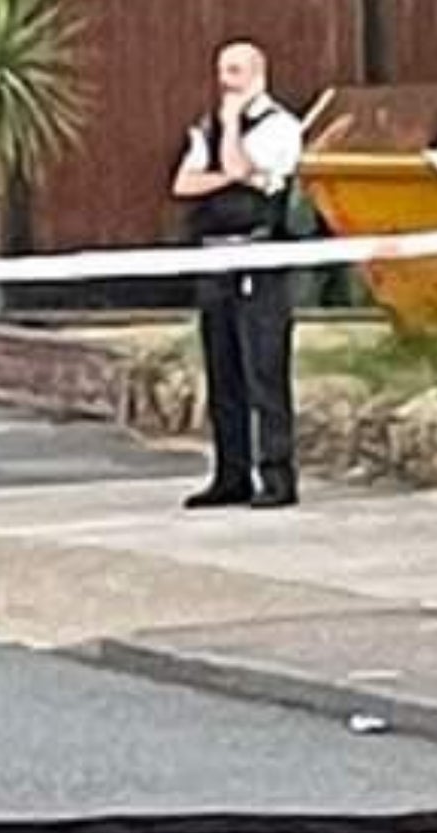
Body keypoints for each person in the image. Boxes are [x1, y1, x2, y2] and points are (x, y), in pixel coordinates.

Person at [171, 41, 306, 511]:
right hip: (214, 260)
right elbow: (184, 184)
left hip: (259, 258)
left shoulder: (281, 127)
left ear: (259, 73)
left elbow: (238, 166)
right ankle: (231, 475)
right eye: (222, 70)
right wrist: (232, 173)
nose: (227, 80)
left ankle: (276, 475)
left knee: (263, 372)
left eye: (236, 70)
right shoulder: (205, 127)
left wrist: (231, 132)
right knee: (222, 373)